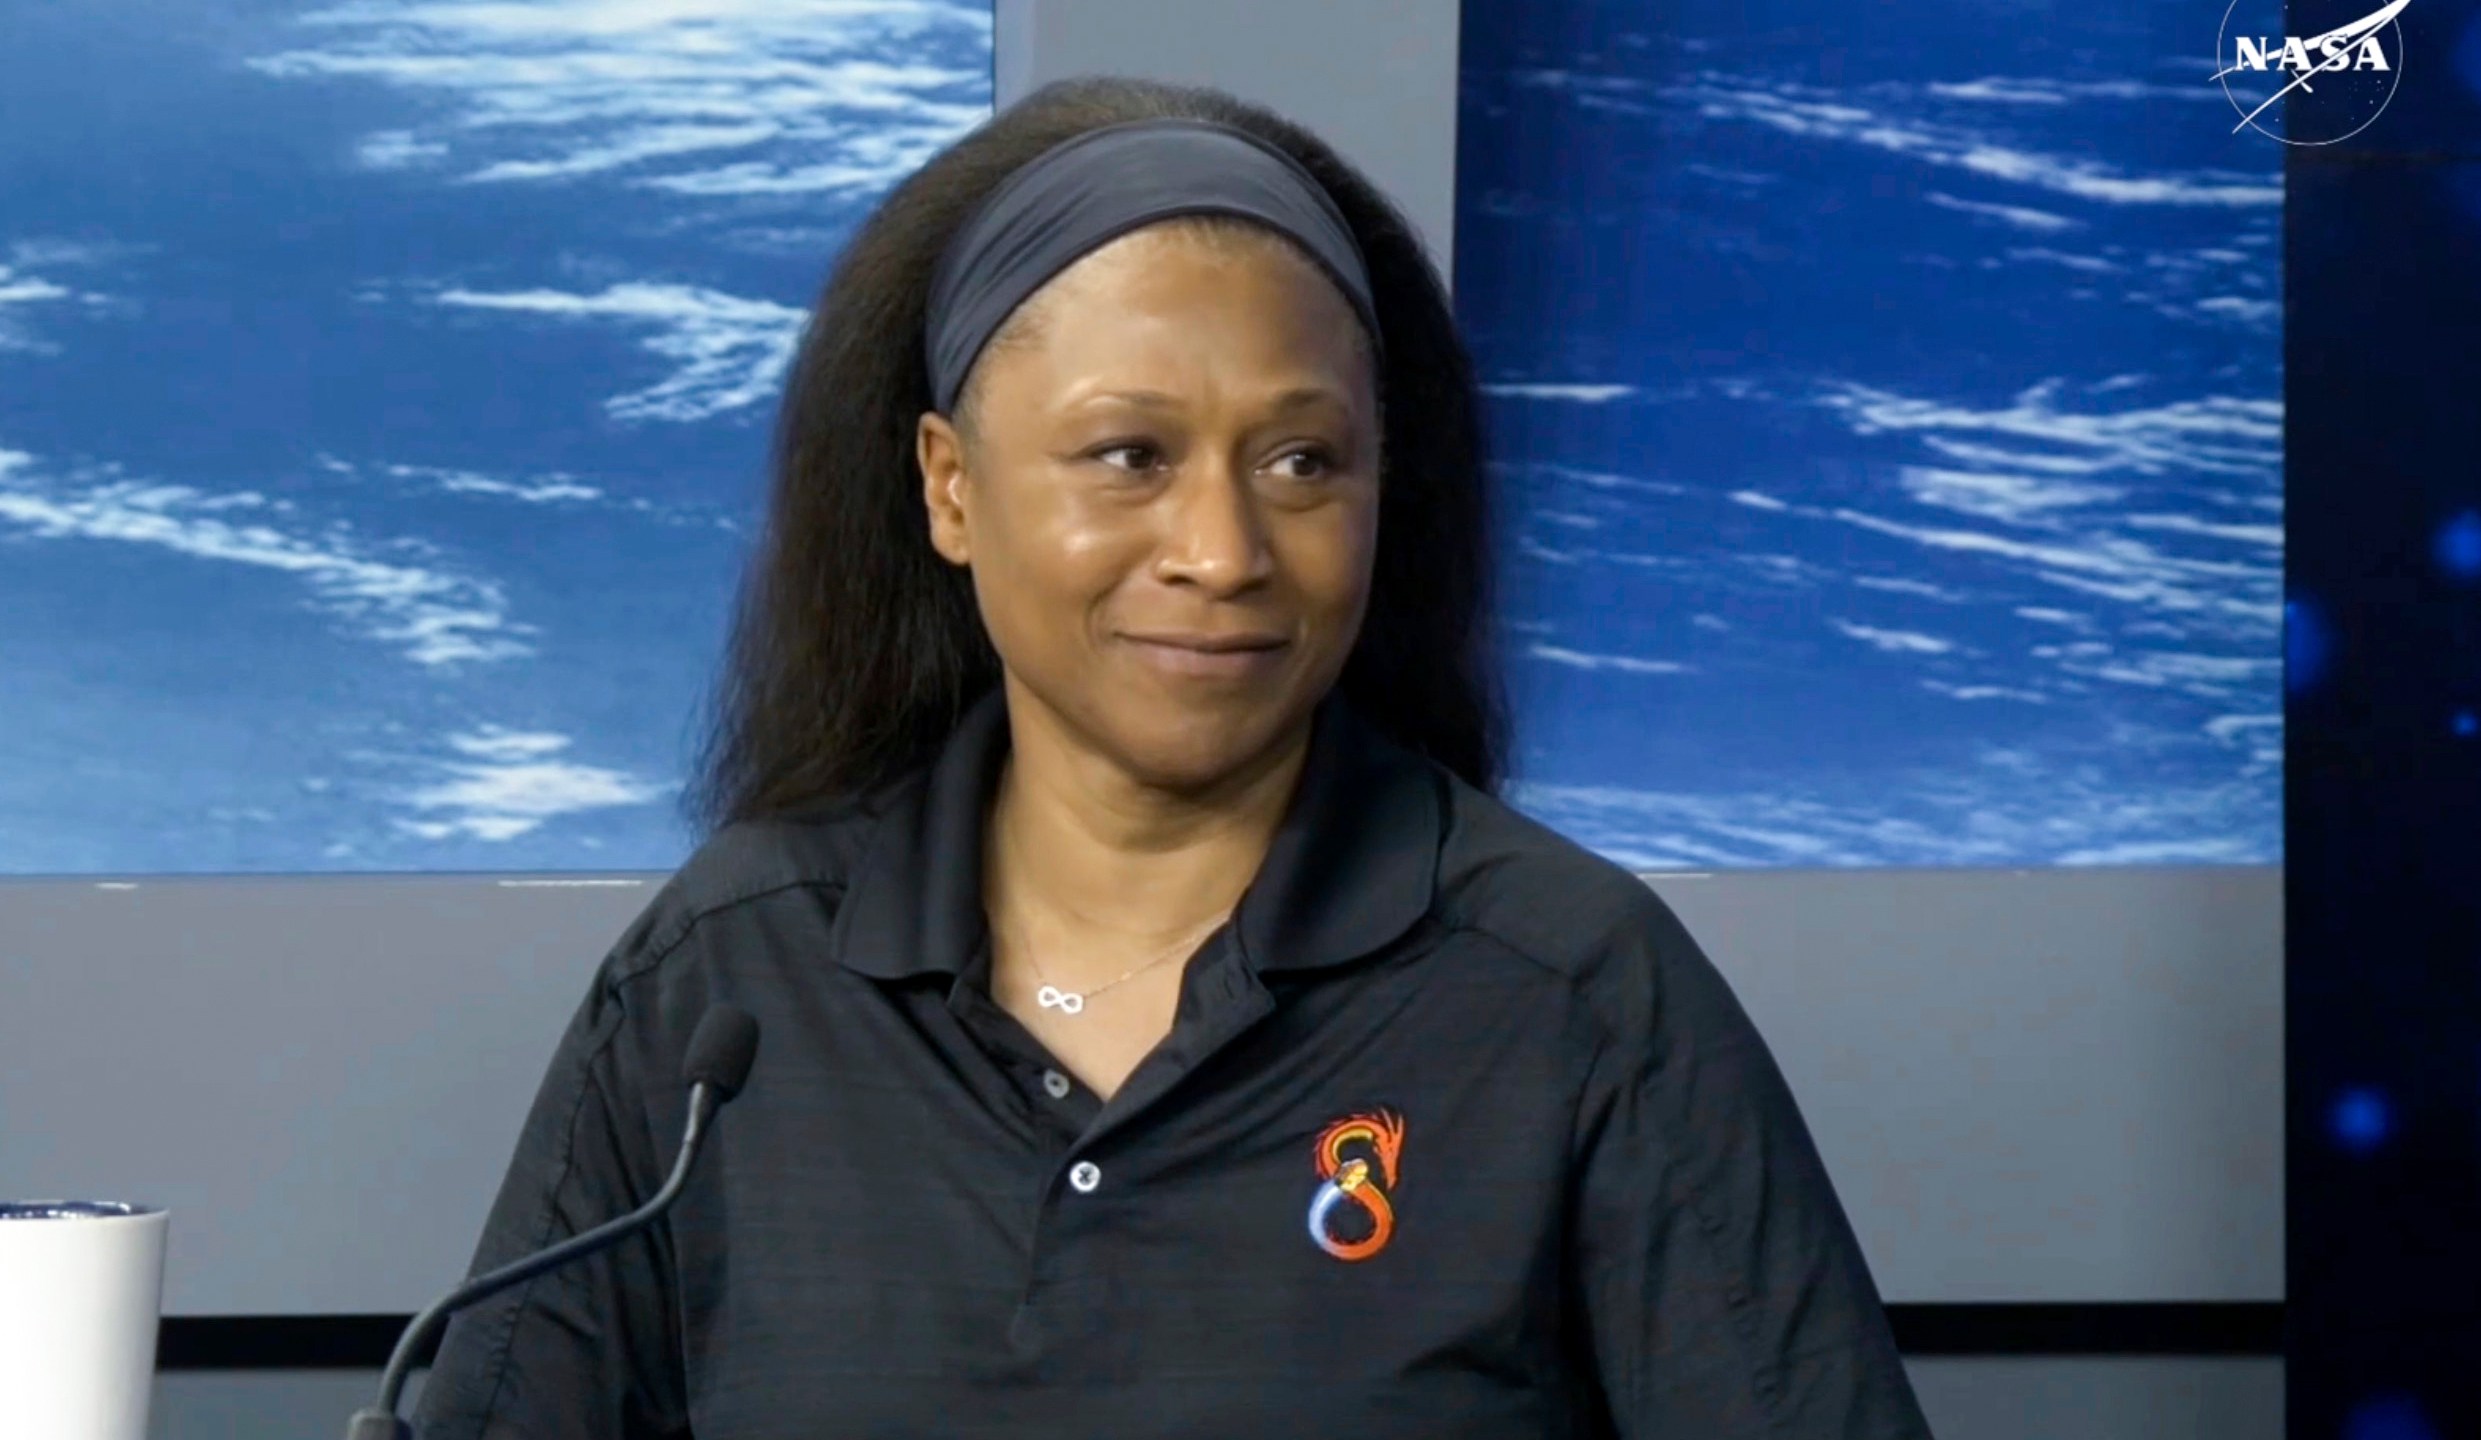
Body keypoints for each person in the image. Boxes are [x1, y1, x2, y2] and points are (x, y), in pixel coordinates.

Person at [411, 76, 1932, 1439]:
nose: (1220, 551)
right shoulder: (724, 982)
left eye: (1300, 463)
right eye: (1128, 457)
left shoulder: (1573, 993)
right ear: (950, 487)